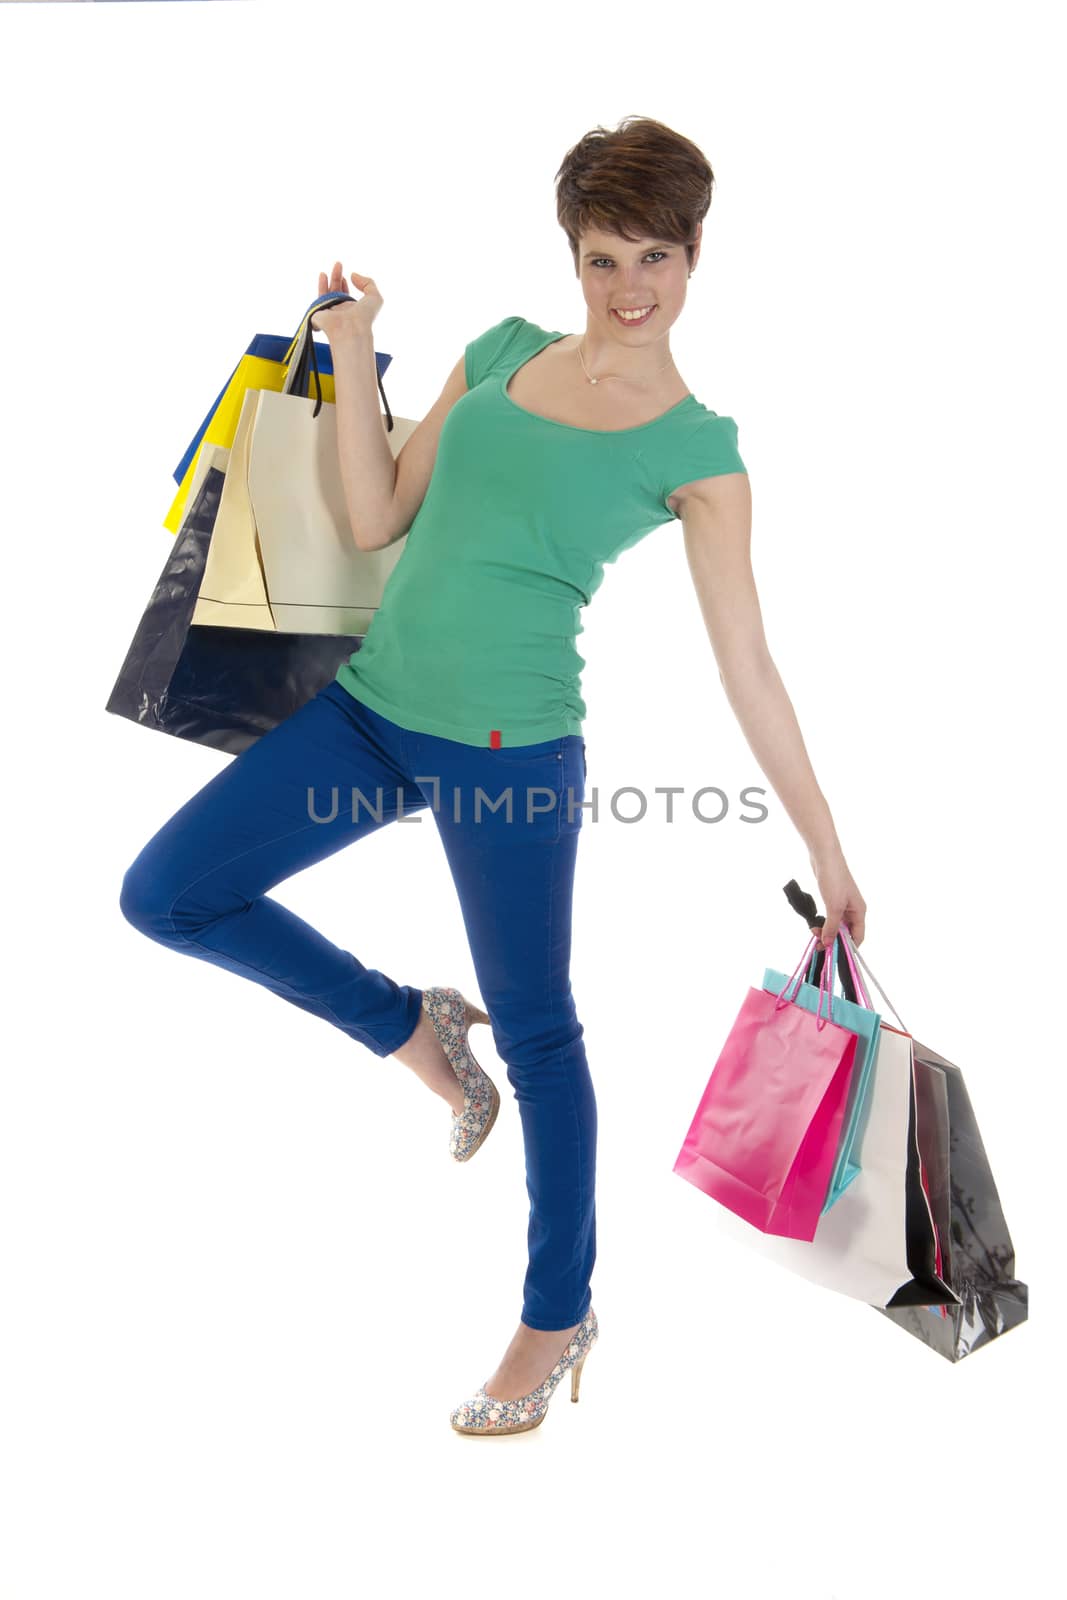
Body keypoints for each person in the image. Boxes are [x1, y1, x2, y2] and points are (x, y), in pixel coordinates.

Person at [119, 115, 867, 1437]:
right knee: (168, 892)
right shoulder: (505, 351)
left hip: (513, 759)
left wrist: (829, 848)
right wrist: (350, 352)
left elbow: (749, 665)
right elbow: (373, 520)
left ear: (696, 254)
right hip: (366, 717)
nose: (629, 289)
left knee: (541, 1036)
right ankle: (410, 1028)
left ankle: (555, 1310)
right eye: (601, 258)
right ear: (569, 257)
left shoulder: (697, 452)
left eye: (655, 256)